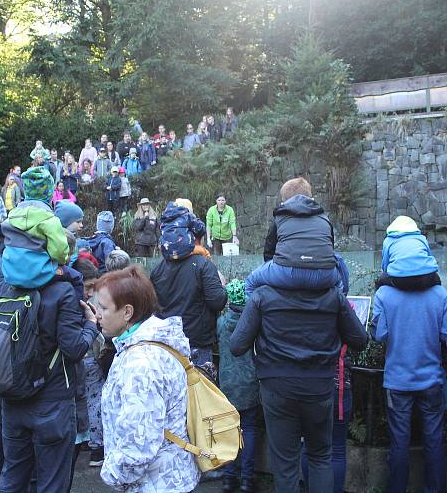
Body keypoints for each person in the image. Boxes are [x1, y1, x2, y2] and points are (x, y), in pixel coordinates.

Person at [0, 169, 99, 492]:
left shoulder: (1, 289)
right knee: (52, 482)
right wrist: (92, 326)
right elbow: (74, 348)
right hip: (52, 401)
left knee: (12, 477)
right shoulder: (62, 291)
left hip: (11, 402)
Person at [231, 251, 367, 493]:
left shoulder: (262, 295)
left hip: (276, 389)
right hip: (320, 386)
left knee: (285, 465)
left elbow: (237, 345)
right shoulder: (333, 296)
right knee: (321, 457)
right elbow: (359, 339)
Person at [94, 266, 200, 491]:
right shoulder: (153, 342)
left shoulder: (141, 363)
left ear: (127, 312)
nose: (97, 314)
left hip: (154, 484)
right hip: (171, 475)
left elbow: (138, 443)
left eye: (103, 307)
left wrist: (113, 474)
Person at [372, 245, 447, 493]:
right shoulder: (440, 294)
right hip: (431, 380)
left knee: (399, 441)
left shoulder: (384, 295)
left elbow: (380, 335)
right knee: (434, 439)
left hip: (397, 381)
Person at [151, 205, 227, 372]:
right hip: (196, 343)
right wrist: (222, 286)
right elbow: (217, 301)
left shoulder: (158, 269)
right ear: (193, 237)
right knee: (198, 394)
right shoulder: (203, 265)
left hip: (167, 343)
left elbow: (154, 308)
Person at [250, 178, 340, 296]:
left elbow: (269, 252)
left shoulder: (280, 217)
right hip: (324, 274)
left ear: (284, 203)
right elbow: (330, 249)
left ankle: (262, 311)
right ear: (311, 199)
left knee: (250, 282)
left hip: (287, 272)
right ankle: (341, 303)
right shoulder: (324, 218)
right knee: (339, 264)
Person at [217, 280, 259, 493]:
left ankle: (228, 478)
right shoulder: (254, 322)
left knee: (229, 430)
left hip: (227, 384)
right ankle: (247, 479)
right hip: (250, 383)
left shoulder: (221, 323)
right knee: (249, 428)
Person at [378, 215, 441, 290]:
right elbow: (429, 256)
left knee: (380, 281)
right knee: (437, 279)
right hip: (425, 277)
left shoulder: (388, 240)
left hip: (401, 279)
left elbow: (385, 264)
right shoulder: (421, 238)